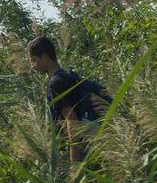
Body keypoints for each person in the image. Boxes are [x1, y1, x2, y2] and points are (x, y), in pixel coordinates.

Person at [29, 36, 110, 164]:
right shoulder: (66, 76)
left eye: (34, 60)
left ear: (45, 57)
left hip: (84, 147)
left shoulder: (55, 83)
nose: (33, 66)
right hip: (94, 141)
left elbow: (72, 121)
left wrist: (74, 162)